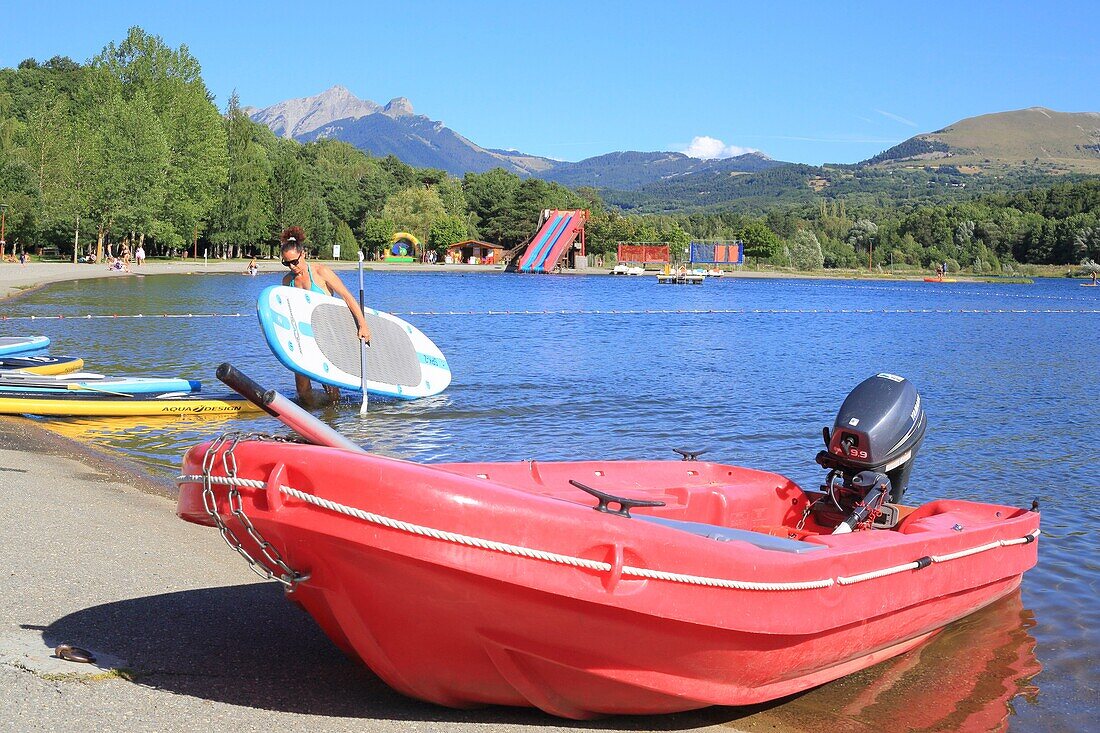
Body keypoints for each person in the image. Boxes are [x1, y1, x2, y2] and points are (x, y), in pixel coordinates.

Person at [279, 226, 371, 406]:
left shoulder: (321, 272)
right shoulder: (287, 281)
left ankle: (331, 418)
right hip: (303, 338)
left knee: (331, 389)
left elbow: (347, 297)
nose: (292, 266)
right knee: (302, 390)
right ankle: (312, 419)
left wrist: (363, 325)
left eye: (294, 262)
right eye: (286, 263)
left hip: (326, 336)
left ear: (303, 254)